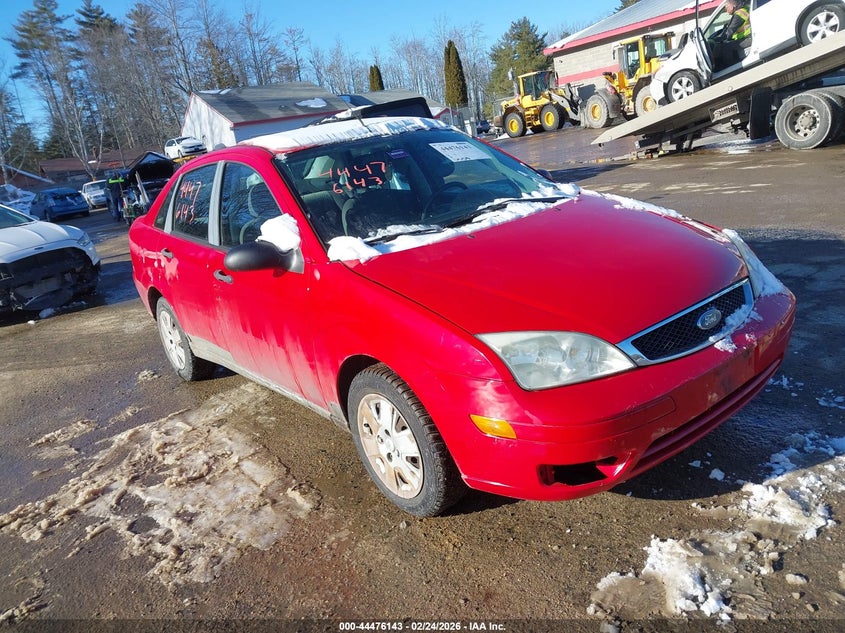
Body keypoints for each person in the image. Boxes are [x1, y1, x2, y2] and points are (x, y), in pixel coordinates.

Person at [713, 1, 752, 71]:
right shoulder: (742, 10)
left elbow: (730, 31)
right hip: (748, 37)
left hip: (748, 38)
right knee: (728, 44)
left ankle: (730, 70)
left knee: (726, 47)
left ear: (732, 6)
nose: (725, 10)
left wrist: (715, 40)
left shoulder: (739, 14)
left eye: (726, 7)